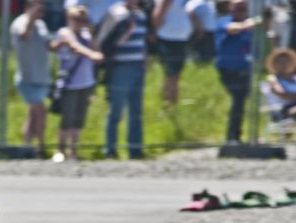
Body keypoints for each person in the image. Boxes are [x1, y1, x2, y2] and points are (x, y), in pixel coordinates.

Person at [96, 0, 147, 159]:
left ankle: (135, 149)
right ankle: (110, 149)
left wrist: (145, 58)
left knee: (136, 112)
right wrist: (127, 30)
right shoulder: (116, 13)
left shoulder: (141, 15)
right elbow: (108, 41)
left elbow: (143, 39)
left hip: (138, 65)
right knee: (116, 111)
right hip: (121, 67)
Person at [53, 6, 103, 161]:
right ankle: (60, 149)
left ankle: (73, 150)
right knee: (67, 119)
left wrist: (91, 34)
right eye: (76, 19)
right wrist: (92, 55)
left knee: (78, 119)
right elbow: (75, 46)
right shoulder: (64, 33)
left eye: (83, 20)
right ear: (69, 19)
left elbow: (97, 49)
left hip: (86, 82)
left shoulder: (87, 35)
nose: (79, 23)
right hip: (70, 83)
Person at [214, 0, 262, 144]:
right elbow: (232, 29)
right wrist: (251, 23)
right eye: (236, 9)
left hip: (245, 70)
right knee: (237, 101)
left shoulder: (250, 27)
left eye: (243, 9)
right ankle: (232, 136)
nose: (239, 12)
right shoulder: (224, 21)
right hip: (229, 70)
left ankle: (240, 135)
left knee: (242, 102)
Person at [10, 0, 52, 157]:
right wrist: (32, 17)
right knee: (41, 111)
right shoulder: (19, 22)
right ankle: (41, 147)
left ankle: (26, 146)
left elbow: (48, 44)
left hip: (41, 77)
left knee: (33, 114)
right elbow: (25, 34)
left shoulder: (41, 24)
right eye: (38, 6)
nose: (41, 9)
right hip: (27, 78)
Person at [152, 0, 193, 105]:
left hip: (177, 38)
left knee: (171, 75)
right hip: (170, 37)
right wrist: (155, 31)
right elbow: (159, 14)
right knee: (173, 75)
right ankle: (170, 104)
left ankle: (167, 101)